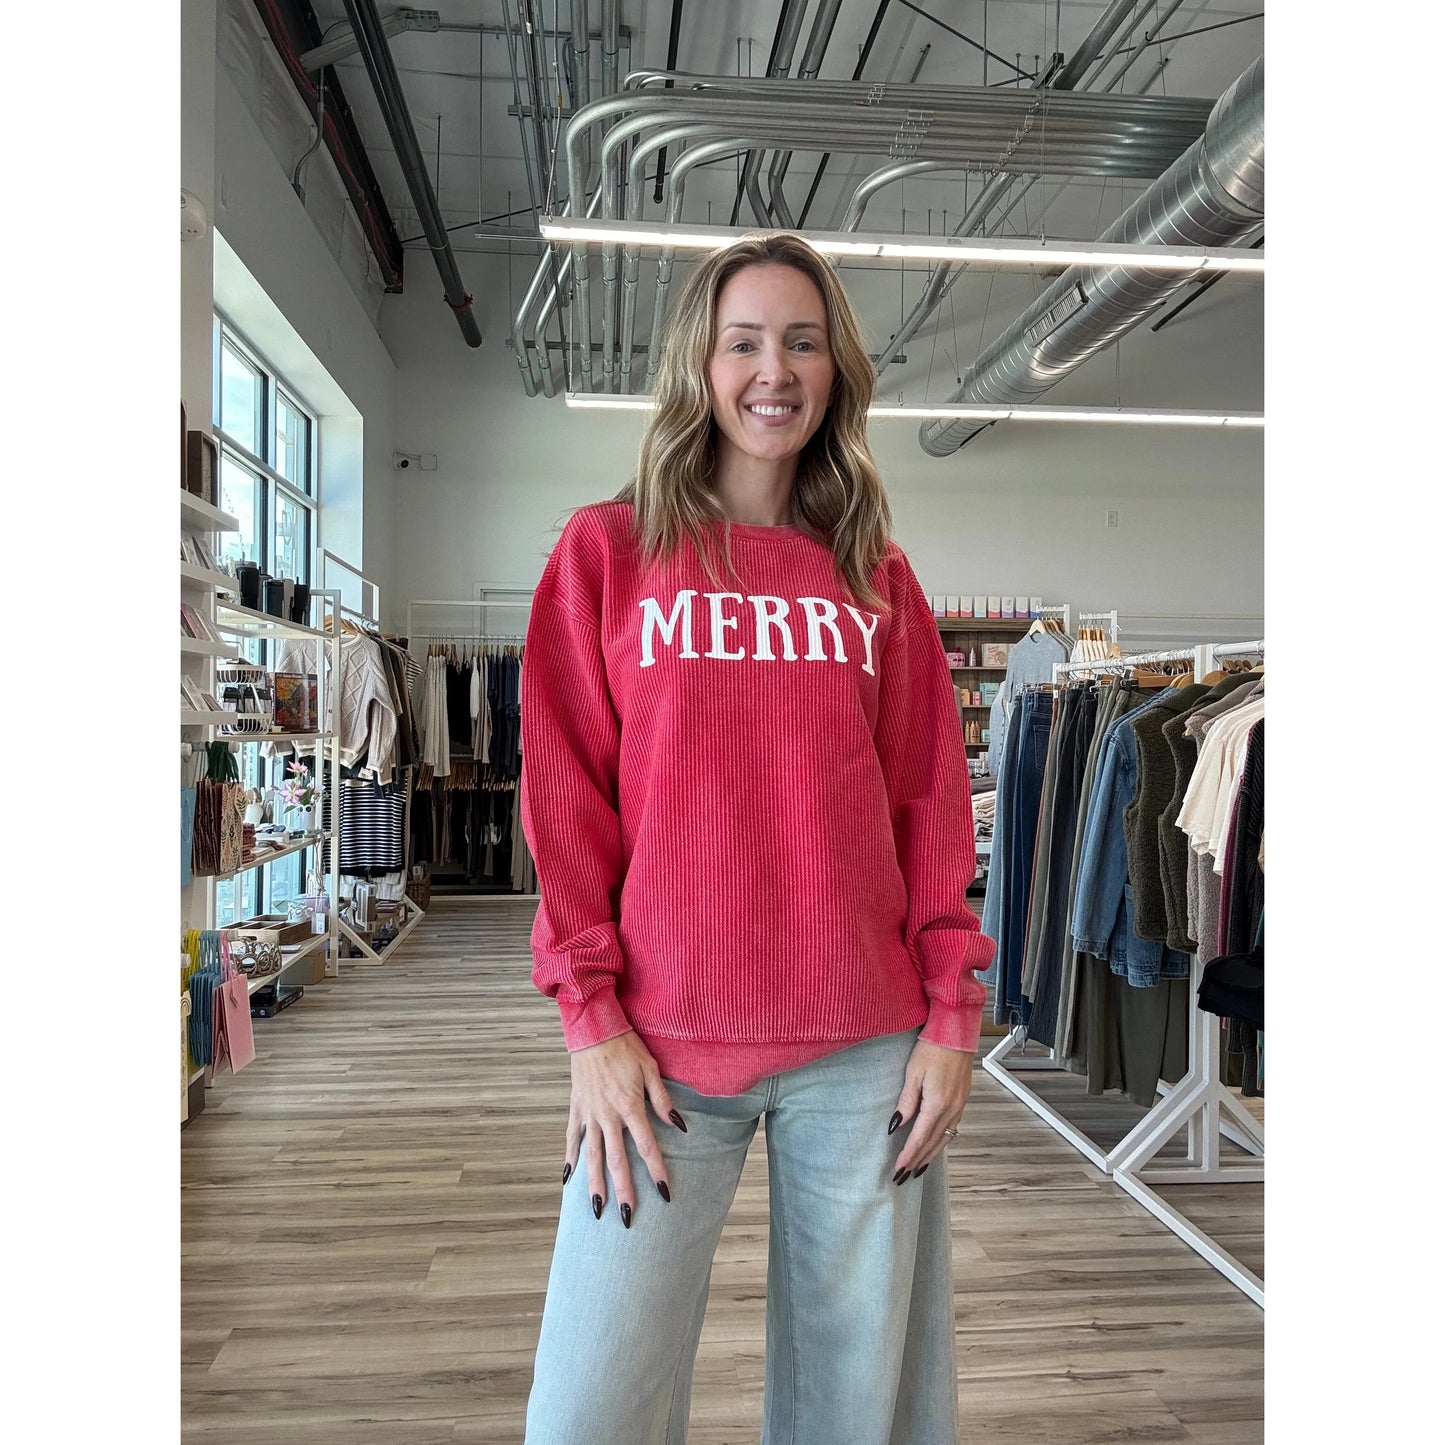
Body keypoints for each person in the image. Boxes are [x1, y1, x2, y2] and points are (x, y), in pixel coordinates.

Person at [519, 232, 996, 1445]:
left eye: (801, 341)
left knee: (859, 1407)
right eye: (744, 342)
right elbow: (566, 801)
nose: (772, 370)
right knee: (590, 1404)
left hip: (866, 1051)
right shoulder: (608, 554)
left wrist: (950, 1016)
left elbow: (927, 804)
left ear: (834, 369)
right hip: (659, 1054)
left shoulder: (874, 577)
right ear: (701, 364)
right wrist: (589, 1018)